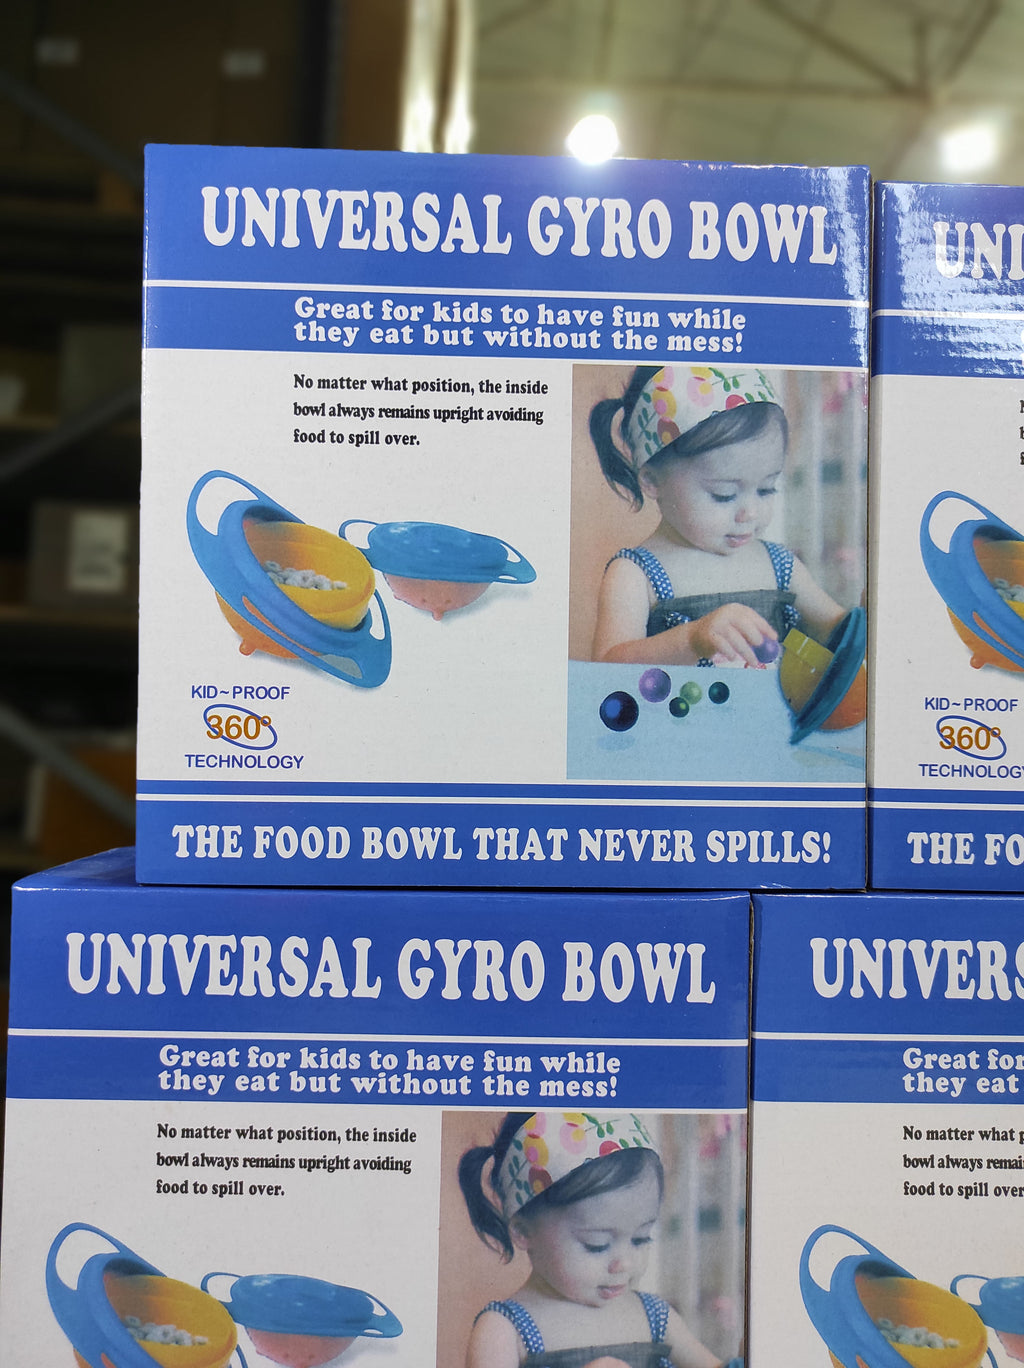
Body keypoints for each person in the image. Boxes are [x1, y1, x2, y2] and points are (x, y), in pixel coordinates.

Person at [590, 364, 846, 669]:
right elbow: (606, 669)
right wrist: (690, 640)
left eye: (766, 489)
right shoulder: (634, 575)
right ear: (652, 480)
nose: (750, 513)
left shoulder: (781, 565)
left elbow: (840, 631)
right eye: (724, 494)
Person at [458, 1110, 734, 1368]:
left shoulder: (655, 1317)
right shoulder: (504, 1330)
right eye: (597, 1245)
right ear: (522, 1231)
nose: (625, 1263)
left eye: (640, 1239)